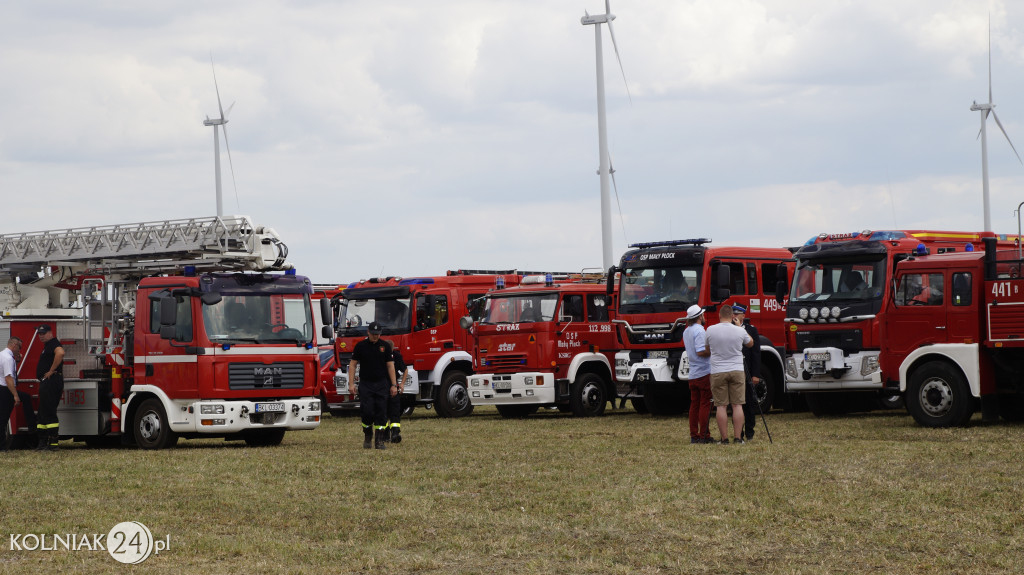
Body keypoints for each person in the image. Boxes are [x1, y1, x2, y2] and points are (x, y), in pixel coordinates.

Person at [705, 305, 753, 444]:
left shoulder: (710, 330)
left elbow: (708, 349)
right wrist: (740, 327)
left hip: (718, 370)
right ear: (733, 316)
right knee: (737, 405)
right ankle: (738, 438)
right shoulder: (739, 330)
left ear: (719, 316)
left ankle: (724, 439)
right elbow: (751, 343)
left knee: (721, 406)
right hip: (737, 369)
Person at [348, 322, 397, 450]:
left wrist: (394, 385)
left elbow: (390, 366)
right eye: (373, 334)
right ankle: (368, 435)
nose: (376, 336)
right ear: (368, 332)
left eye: (378, 334)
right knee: (367, 412)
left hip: (381, 384)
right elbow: (352, 365)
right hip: (366, 384)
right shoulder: (360, 346)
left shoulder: (385, 346)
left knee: (381, 412)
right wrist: (351, 383)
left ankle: (379, 441)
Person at [682, 305, 712, 444]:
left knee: (694, 405)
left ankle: (694, 435)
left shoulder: (686, 331)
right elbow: (701, 351)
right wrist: (713, 350)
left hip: (693, 373)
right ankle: (704, 435)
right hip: (703, 371)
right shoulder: (700, 330)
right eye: (703, 315)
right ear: (700, 317)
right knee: (705, 404)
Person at [732, 304, 761, 441]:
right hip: (734, 370)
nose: (734, 316)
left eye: (737, 314)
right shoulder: (728, 328)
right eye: (733, 313)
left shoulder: (751, 330)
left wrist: (755, 374)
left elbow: (755, 353)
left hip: (747, 370)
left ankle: (750, 431)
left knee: (749, 402)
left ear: (743, 315)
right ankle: (739, 432)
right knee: (737, 404)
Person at [35, 325, 65, 451]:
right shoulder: (48, 345)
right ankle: (43, 442)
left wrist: (51, 370)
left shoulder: (53, 343)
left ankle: (53, 443)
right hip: (46, 382)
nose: (41, 336)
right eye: (39, 334)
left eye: (43, 333)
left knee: (49, 412)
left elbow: (61, 353)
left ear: (50, 333)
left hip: (51, 381)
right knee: (42, 413)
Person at [384, 348, 409, 444]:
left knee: (392, 410)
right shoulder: (381, 355)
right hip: (385, 386)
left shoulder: (396, 356)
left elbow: (405, 369)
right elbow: (405, 370)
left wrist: (401, 384)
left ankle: (394, 433)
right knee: (389, 411)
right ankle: (387, 433)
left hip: (391, 386)